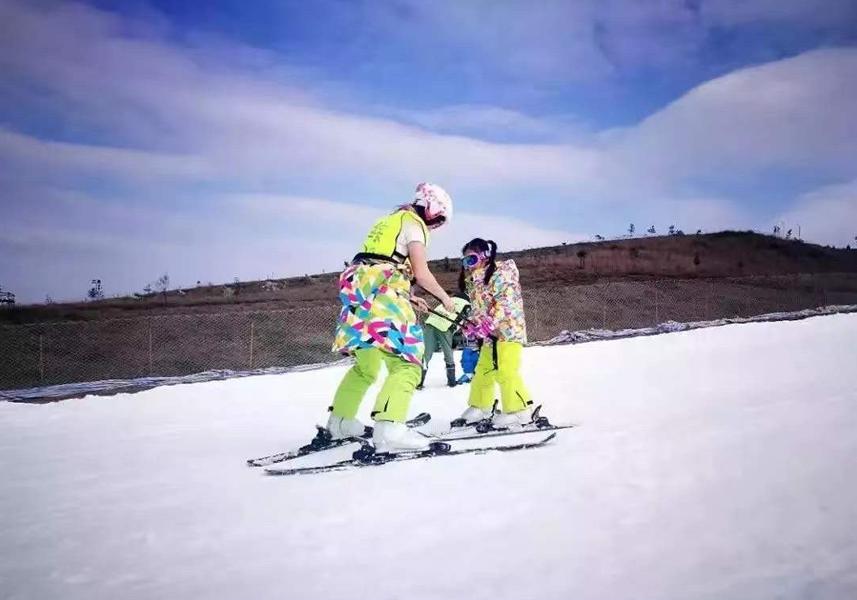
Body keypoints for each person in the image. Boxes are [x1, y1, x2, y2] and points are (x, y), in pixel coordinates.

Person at [326, 183, 455, 452]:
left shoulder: (387, 221)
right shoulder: (414, 223)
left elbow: (378, 263)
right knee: (408, 363)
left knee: (366, 368)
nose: (434, 226)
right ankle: (390, 427)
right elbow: (421, 273)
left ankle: (340, 423)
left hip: (360, 296)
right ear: (431, 209)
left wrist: (409, 296)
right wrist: (445, 298)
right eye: (438, 219)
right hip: (384, 299)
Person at [456, 238, 535, 428]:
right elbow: (479, 309)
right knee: (483, 370)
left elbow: (506, 302)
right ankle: (481, 406)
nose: (468, 265)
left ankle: (519, 410)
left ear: (485, 256)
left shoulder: (502, 273)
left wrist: (490, 322)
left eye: (472, 259)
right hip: (491, 336)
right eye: (465, 261)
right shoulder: (474, 282)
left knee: (506, 370)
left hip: (508, 331)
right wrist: (472, 325)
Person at [417, 292, 470, 389]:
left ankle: (419, 382)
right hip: (444, 327)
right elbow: (462, 321)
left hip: (430, 323)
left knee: (426, 353)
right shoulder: (466, 305)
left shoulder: (448, 299)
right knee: (448, 353)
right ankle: (451, 381)